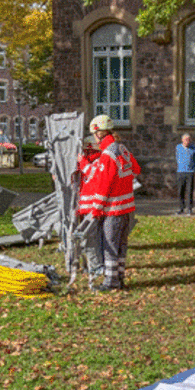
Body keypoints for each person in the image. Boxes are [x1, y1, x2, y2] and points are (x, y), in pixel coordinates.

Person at [80, 115, 141, 291]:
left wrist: (96, 210)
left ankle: (111, 282)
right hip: (127, 207)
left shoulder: (107, 155)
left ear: (98, 133)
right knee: (121, 245)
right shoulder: (121, 148)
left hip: (113, 209)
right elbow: (136, 169)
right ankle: (119, 278)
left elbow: (104, 185)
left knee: (109, 246)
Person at [76, 137, 104, 282]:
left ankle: (96, 266)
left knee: (91, 239)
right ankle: (88, 264)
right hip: (85, 208)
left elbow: (93, 175)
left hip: (92, 209)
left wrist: (82, 162)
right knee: (88, 239)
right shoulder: (85, 162)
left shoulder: (98, 161)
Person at [175, 134, 195, 215]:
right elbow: (177, 157)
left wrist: (192, 167)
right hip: (181, 172)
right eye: (186, 139)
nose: (187, 141)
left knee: (190, 191)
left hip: (190, 172)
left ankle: (189, 209)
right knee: (181, 191)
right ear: (182, 140)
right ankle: (181, 208)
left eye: (189, 140)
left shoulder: (193, 148)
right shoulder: (178, 147)